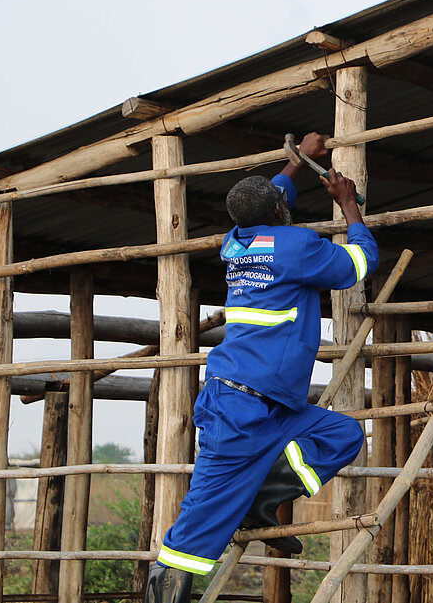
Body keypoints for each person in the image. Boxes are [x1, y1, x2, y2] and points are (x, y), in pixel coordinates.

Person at [144, 133, 378, 603]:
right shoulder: (296, 246)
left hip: (269, 403)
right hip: (237, 409)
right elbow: (358, 263)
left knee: (342, 437)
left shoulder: (237, 243)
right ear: (277, 212)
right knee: (195, 530)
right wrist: (350, 206)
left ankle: (259, 499)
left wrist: (297, 163)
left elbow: (267, 200)